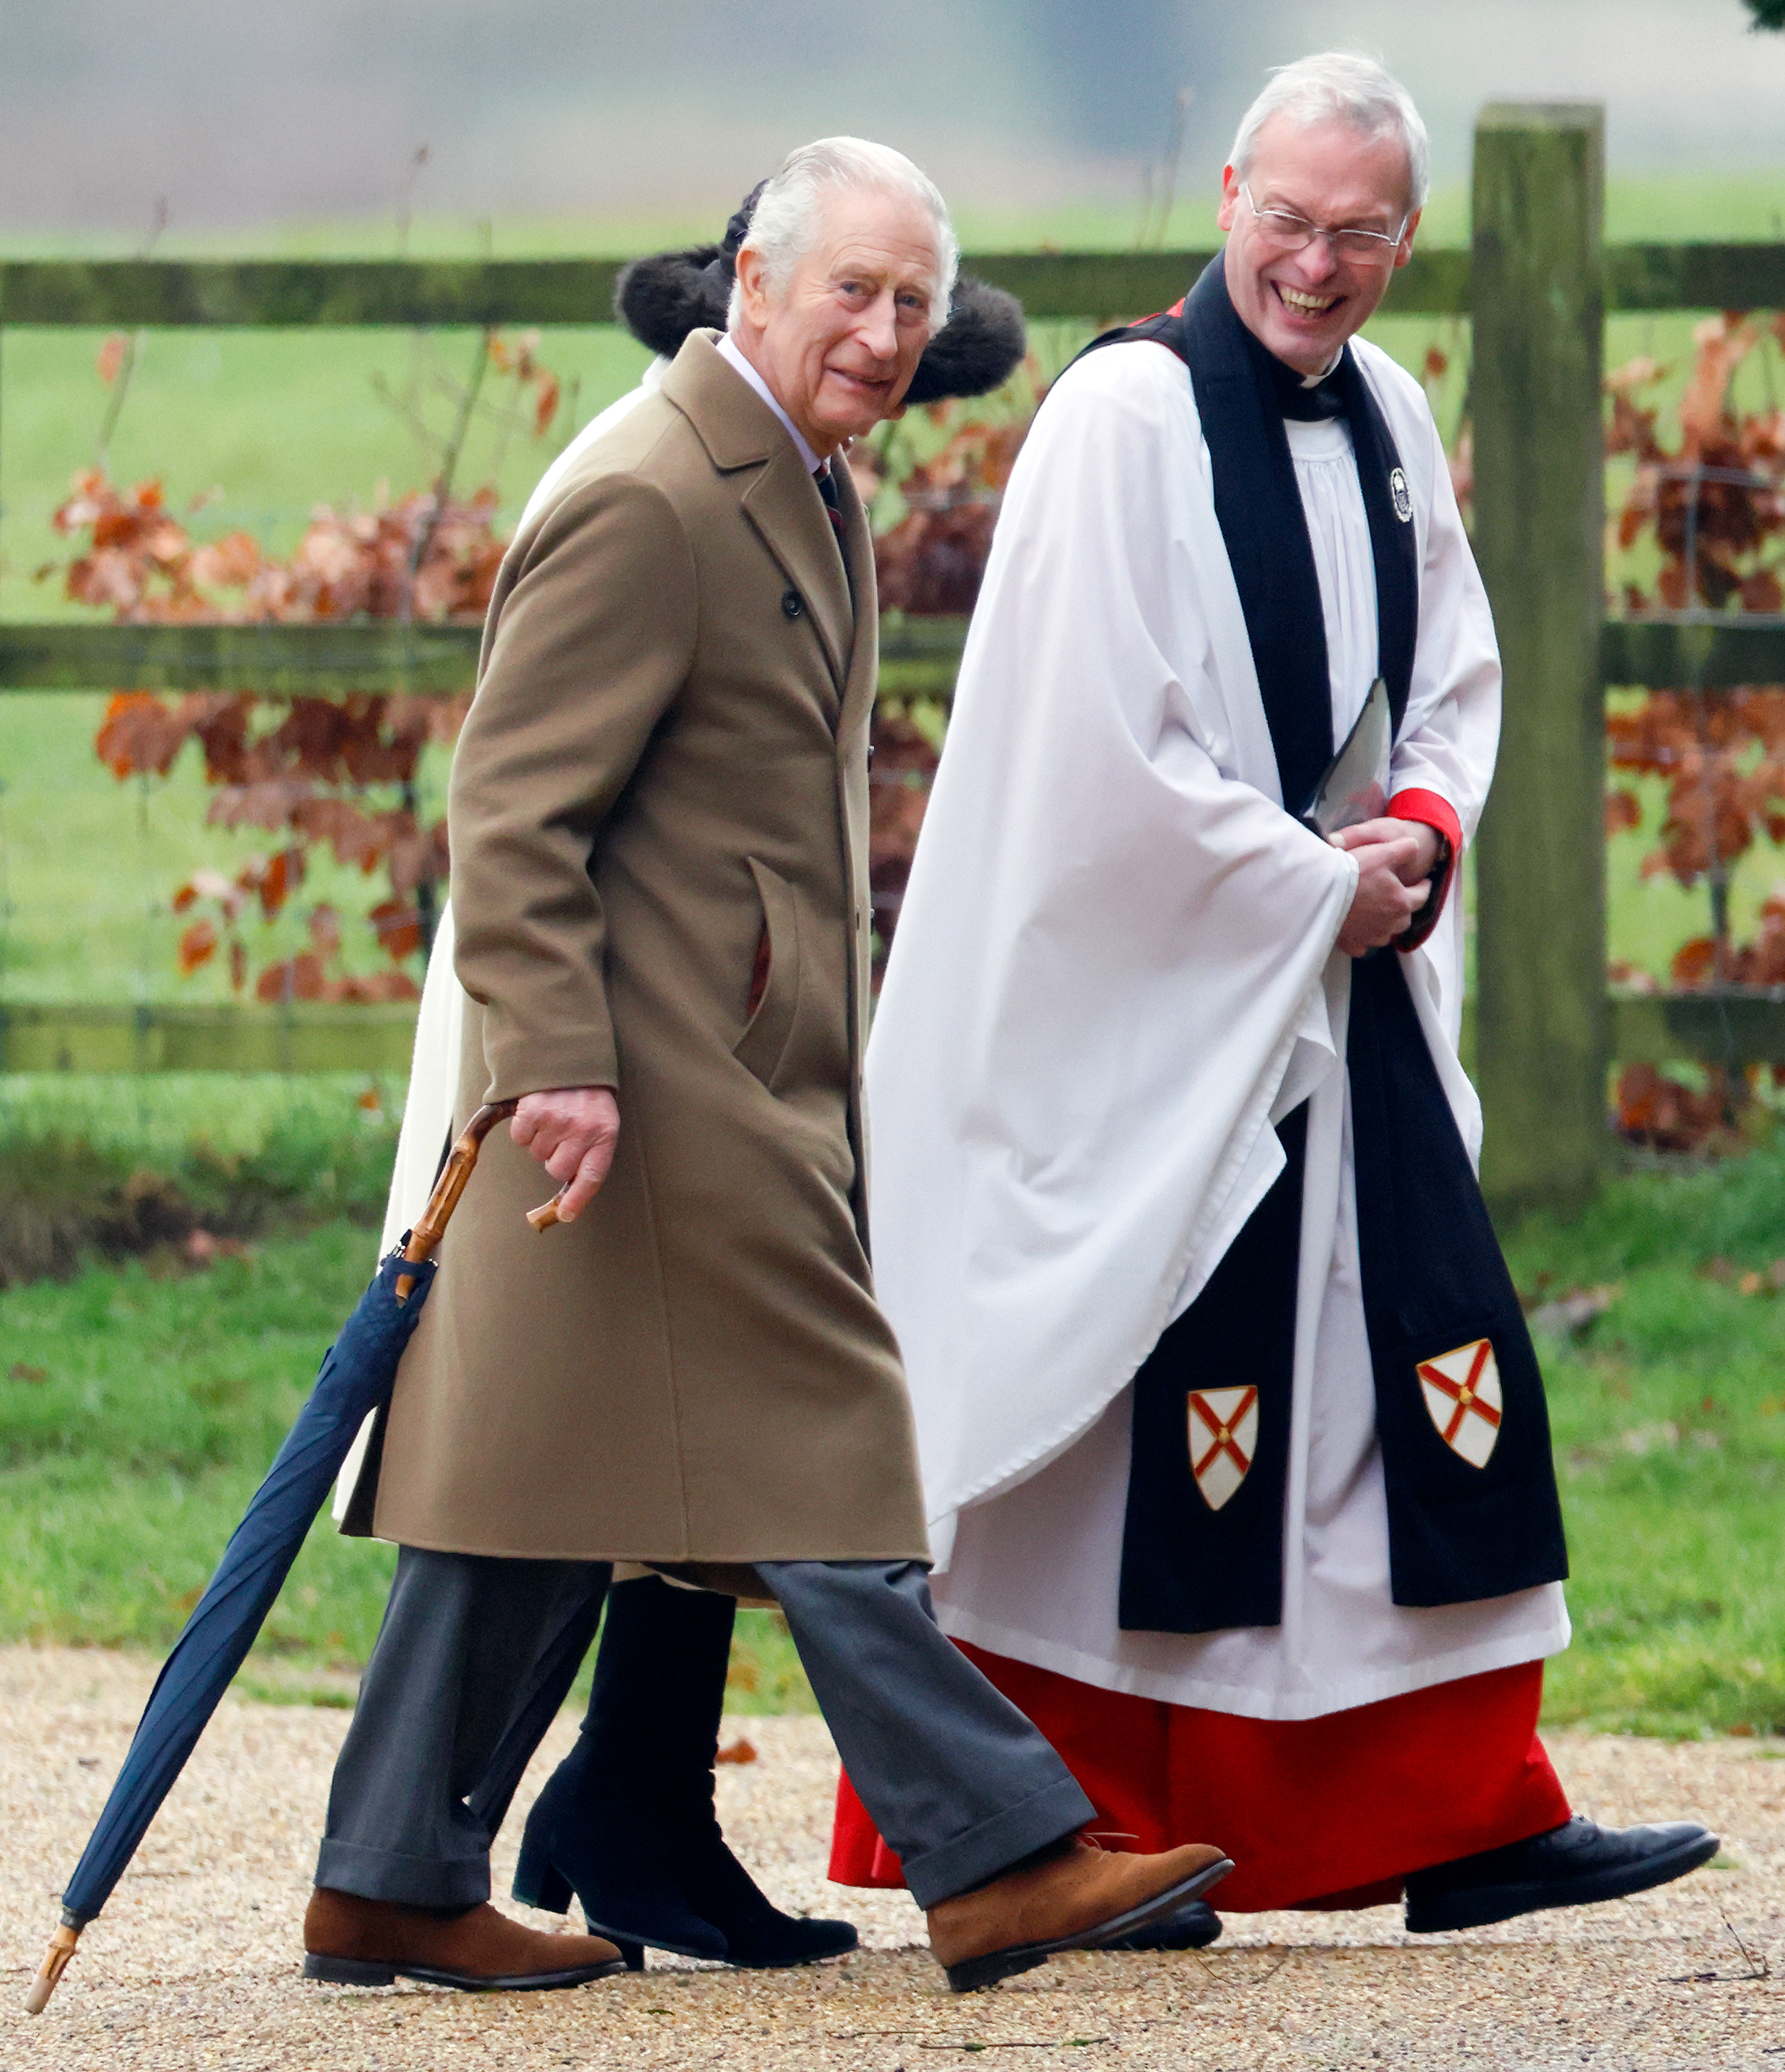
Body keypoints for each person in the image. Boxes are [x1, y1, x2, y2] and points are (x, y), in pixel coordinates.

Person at [303, 135, 1231, 2000]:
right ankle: (1002, 1854)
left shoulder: (802, 485)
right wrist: (557, 1058)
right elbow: (508, 811)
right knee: (833, 1442)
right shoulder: (657, 492)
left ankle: (387, 1873)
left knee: (528, 1483)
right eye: (849, 294)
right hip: (652, 1090)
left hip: (741, 1069)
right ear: (748, 281)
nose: (884, 336)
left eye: (911, 303)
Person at [830, 57, 1718, 1938]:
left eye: (1363, 235)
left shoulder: (1393, 408)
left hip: (1339, 978)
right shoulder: (1121, 420)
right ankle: (1059, 1824)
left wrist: (1415, 825)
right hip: (1155, 1007)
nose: (1318, 269)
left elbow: (1455, 669)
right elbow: (1098, 752)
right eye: (1290, 223)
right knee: (1132, 1400)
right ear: (1230, 193)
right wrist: (1312, 881)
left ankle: (1465, 1812)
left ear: (1407, 240)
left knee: (1399, 1389)